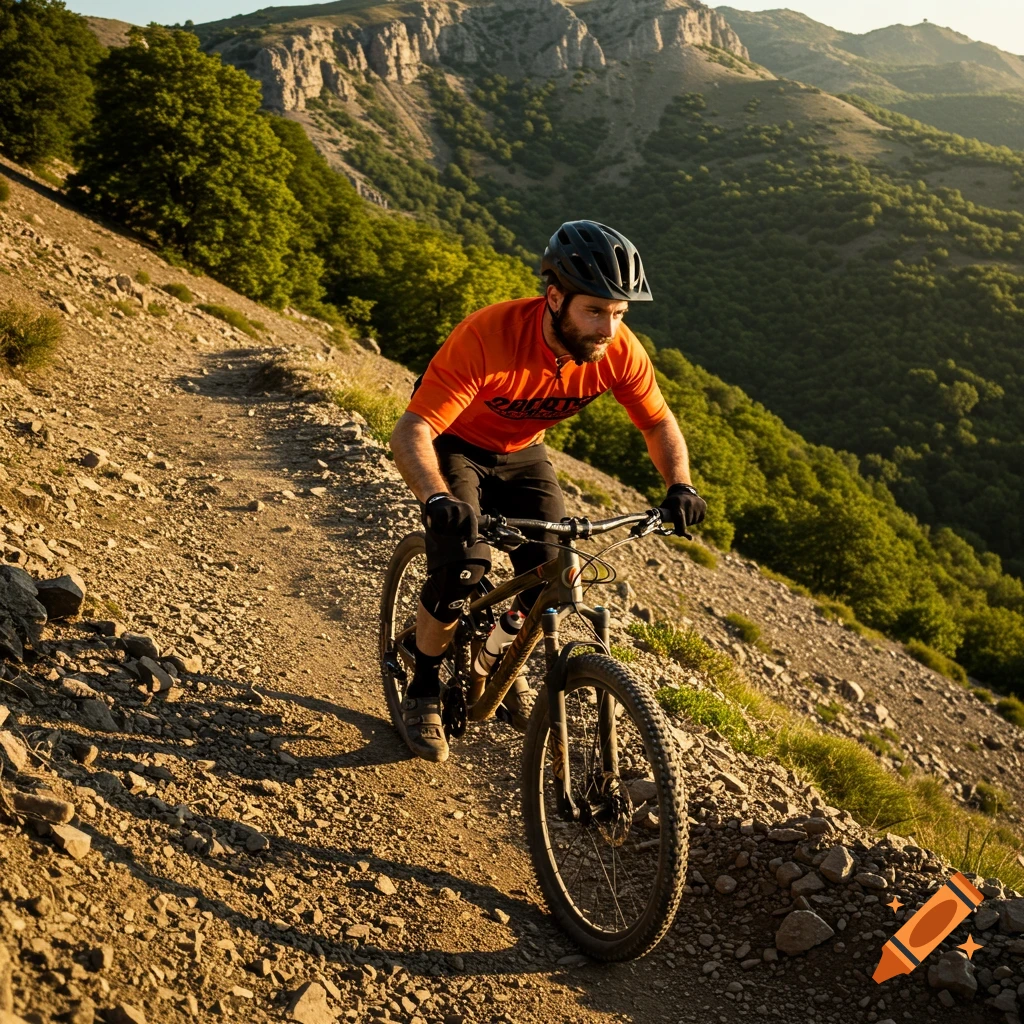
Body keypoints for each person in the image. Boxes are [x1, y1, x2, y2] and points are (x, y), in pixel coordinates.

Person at [389, 220, 706, 762]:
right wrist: (437, 499)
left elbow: (658, 424)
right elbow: (412, 429)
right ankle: (423, 684)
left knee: (553, 578)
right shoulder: (489, 336)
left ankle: (496, 659)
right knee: (462, 567)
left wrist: (680, 484)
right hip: (456, 442)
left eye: (620, 313)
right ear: (554, 297)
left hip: (524, 453)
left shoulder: (617, 352)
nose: (609, 328)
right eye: (595, 310)